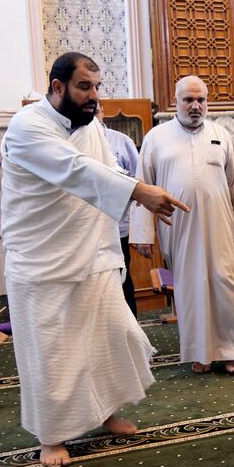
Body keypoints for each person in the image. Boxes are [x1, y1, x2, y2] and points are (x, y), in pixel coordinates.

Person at [0, 52, 188, 467]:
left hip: (91, 255)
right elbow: (75, 170)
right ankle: (51, 436)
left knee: (108, 338)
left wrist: (137, 198)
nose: (94, 96)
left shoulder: (91, 128)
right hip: (41, 263)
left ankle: (106, 413)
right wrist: (141, 192)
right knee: (51, 352)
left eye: (97, 87)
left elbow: (108, 171)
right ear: (57, 87)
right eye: (85, 87)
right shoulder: (26, 127)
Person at [130, 75, 234, 374]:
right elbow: (142, 187)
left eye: (201, 100)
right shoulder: (156, 138)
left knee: (229, 284)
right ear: (175, 102)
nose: (196, 106)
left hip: (221, 226)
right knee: (191, 289)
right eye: (189, 100)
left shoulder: (221, 134)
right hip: (179, 228)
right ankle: (202, 352)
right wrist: (142, 233)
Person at [97, 102, 139, 316]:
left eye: (96, 111)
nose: (94, 117)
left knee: (122, 278)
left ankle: (132, 332)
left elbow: (138, 180)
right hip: (89, 229)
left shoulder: (121, 141)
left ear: (103, 112)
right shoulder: (72, 140)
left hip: (118, 226)